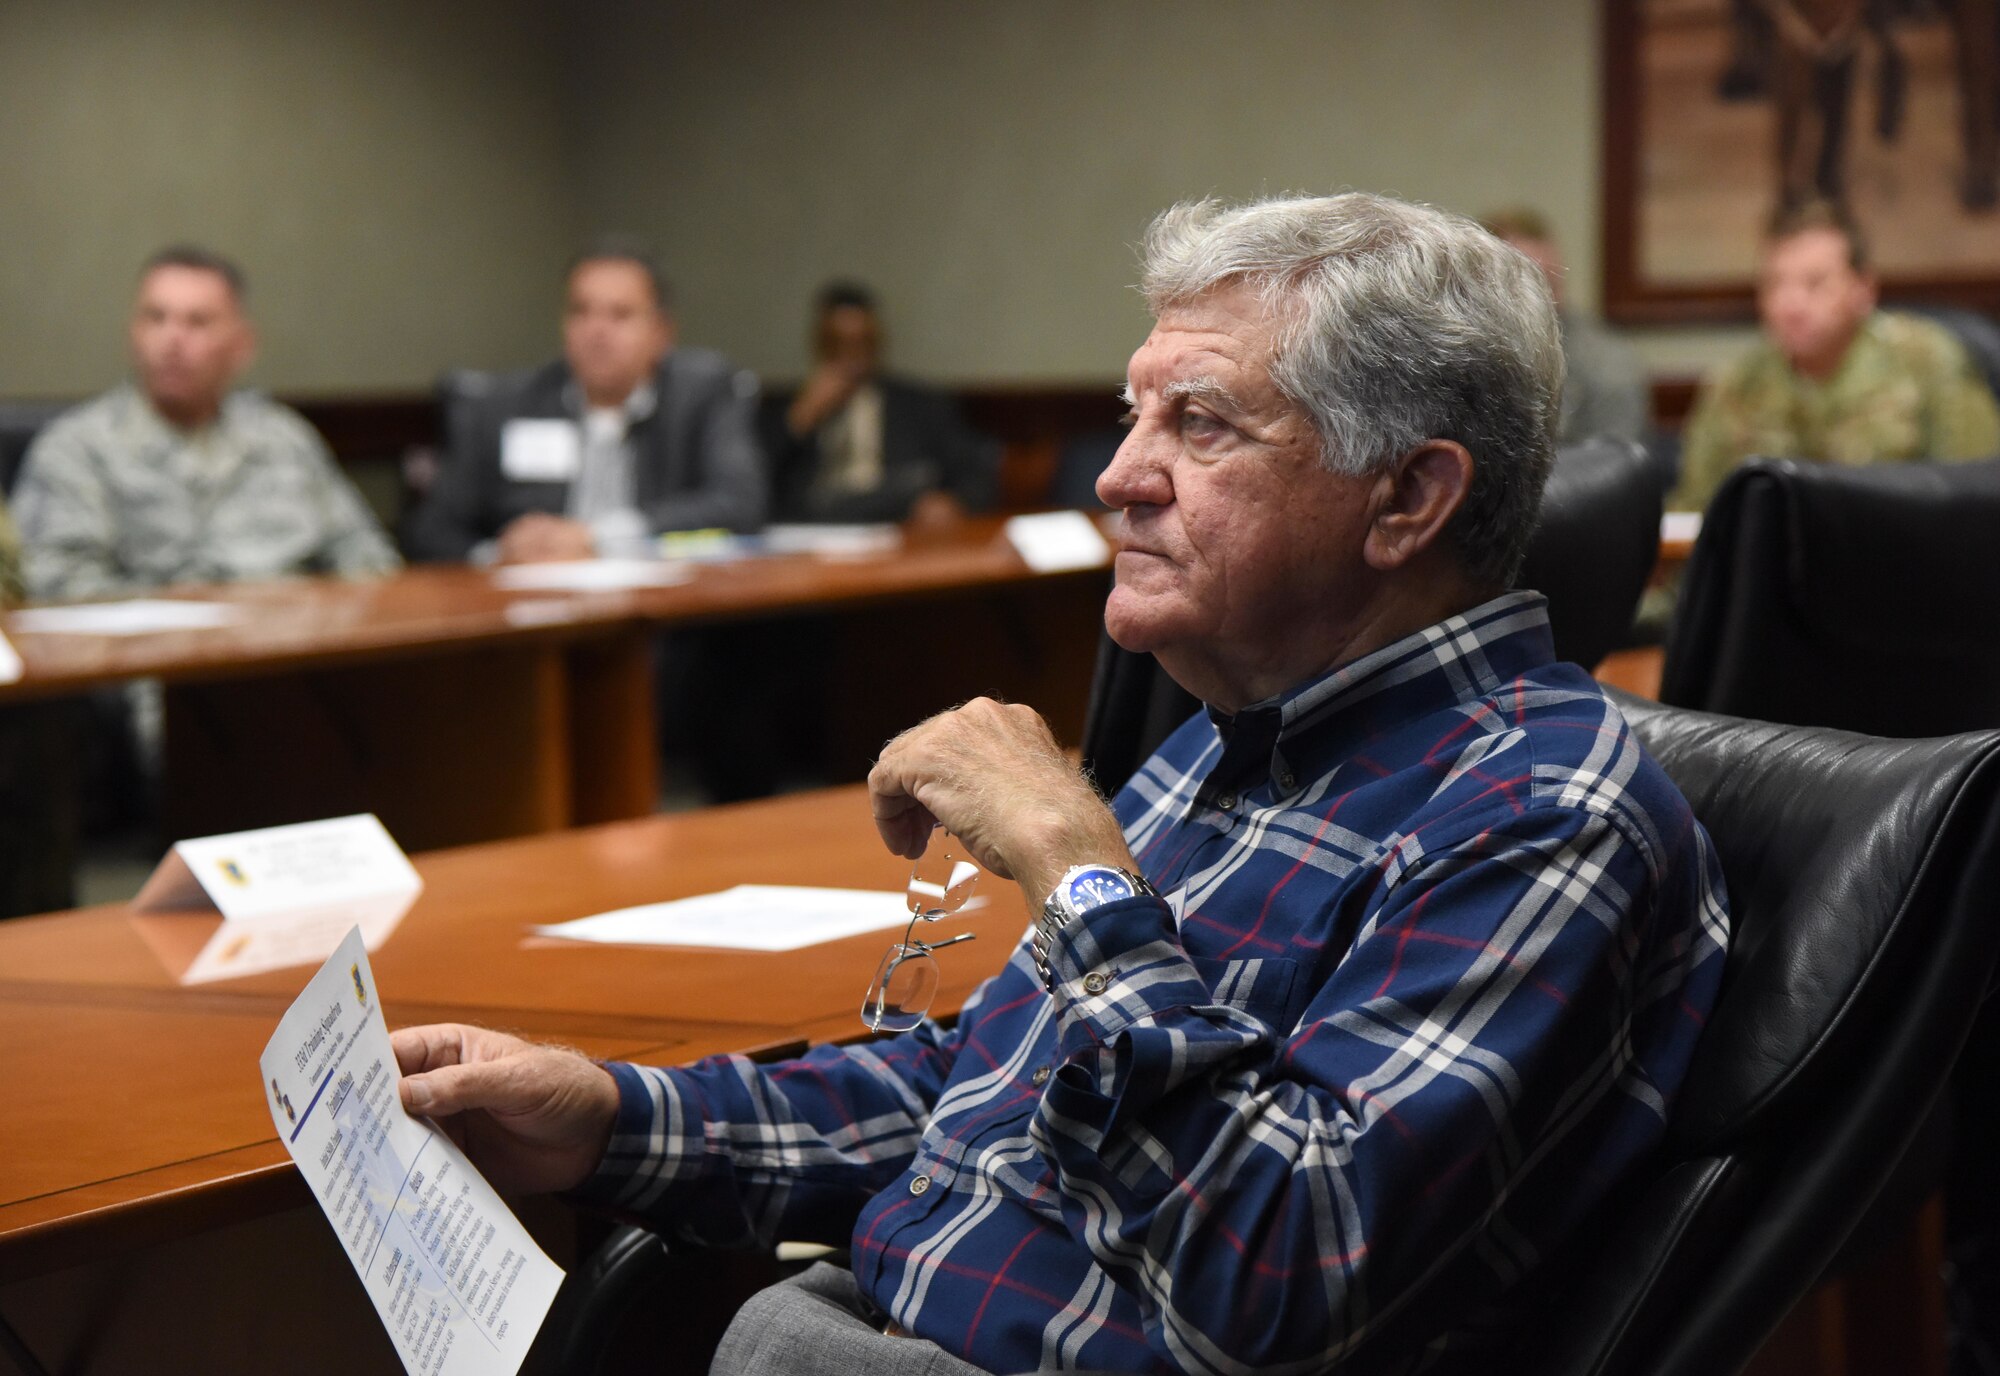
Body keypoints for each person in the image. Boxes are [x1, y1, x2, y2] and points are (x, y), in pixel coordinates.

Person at [391, 193, 1731, 1374]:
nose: (1116, 475)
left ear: (1406, 502)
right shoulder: (1231, 735)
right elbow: (972, 1094)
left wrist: (1074, 863)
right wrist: (616, 1120)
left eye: (1200, 424)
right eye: (1131, 412)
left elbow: (1269, 1280)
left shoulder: (1545, 810)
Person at [14, 247, 400, 600]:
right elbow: (57, 587)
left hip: (295, 655)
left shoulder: (285, 439)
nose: (172, 339)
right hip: (156, 667)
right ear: (133, 335)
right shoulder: (78, 449)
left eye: (197, 322)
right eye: (156, 318)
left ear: (241, 345)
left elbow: (367, 558)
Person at [404, 241, 765, 563]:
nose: (596, 331)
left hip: (664, 613)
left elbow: (738, 504)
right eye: (580, 311)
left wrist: (598, 536)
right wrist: (500, 555)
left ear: (661, 333)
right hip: (527, 612)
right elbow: (432, 530)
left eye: (619, 314)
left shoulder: (704, 394)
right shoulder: (505, 405)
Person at [1673, 199, 2000, 512]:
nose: (1792, 306)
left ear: (1864, 290)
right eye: (1776, 284)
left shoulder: (1928, 363)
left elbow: (1976, 500)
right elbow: (1695, 519)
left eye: (1815, 284)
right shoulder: (1737, 385)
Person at [761, 282, 999, 524]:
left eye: (863, 342)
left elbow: (974, 474)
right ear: (819, 343)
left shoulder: (921, 404)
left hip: (896, 523)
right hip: (814, 528)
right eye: (840, 343)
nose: (853, 356)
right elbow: (752, 480)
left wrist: (953, 502)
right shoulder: (789, 408)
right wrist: (801, 415)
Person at [1482, 208, 1648, 445]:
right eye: (1528, 285)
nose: (1548, 300)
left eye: (1552, 283)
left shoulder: (1607, 363)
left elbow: (1613, 467)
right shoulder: (1460, 355)